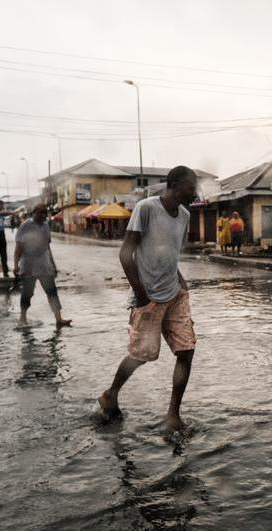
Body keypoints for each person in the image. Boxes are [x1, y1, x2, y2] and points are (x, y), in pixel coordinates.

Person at [98, 165, 198, 431]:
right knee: (141, 355)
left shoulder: (185, 215)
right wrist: (141, 294)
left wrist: (180, 280)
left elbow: (168, 251)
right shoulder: (146, 208)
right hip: (148, 295)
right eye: (191, 187)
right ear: (174, 184)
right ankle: (111, 393)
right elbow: (125, 253)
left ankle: (173, 415)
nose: (196, 192)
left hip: (175, 293)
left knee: (186, 351)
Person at [13, 204, 71, 328]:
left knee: (52, 292)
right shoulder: (25, 226)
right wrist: (15, 265)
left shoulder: (46, 226)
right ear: (33, 213)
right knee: (27, 293)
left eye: (45, 213)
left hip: (44, 264)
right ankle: (22, 317)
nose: (43, 216)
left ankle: (59, 319)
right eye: (40, 213)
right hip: (28, 265)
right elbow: (18, 249)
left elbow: (47, 248)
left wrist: (53, 265)